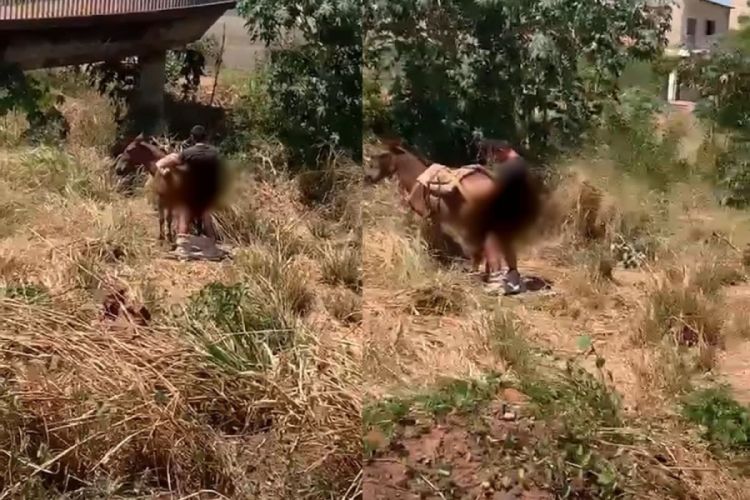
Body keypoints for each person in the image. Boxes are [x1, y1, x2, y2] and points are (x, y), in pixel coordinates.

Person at [474, 139, 542, 295]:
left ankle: (499, 280)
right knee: (506, 244)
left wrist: (482, 172)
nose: (495, 159)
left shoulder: (512, 166)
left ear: (501, 151)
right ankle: (513, 277)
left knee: (491, 239)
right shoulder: (518, 164)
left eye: (495, 155)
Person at [155, 125, 224, 244]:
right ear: (205, 137)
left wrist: (163, 169)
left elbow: (162, 163)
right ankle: (211, 244)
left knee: (184, 218)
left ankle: (183, 246)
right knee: (206, 218)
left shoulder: (187, 153)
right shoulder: (214, 152)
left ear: (192, 137)